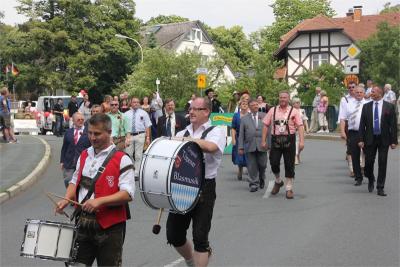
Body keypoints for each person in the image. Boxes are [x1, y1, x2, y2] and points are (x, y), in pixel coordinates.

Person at [56, 113, 135, 266]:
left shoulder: (122, 159)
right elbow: (75, 181)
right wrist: (67, 199)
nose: (92, 137)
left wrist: (100, 201)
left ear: (109, 133)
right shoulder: (84, 154)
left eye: (97, 133)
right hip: (83, 223)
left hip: (110, 228)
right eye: (90, 133)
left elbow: (127, 194)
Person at [166, 97, 226, 267]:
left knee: (200, 237)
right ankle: (190, 260)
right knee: (173, 235)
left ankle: (201, 257)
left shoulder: (216, 131)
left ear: (206, 112)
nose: (190, 111)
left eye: (195, 109)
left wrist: (184, 142)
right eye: (190, 108)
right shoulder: (181, 133)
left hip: (205, 187)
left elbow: (211, 147)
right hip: (181, 186)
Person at [262, 91, 304, 199]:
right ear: (278, 98)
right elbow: (266, 125)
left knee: (289, 164)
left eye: (285, 97)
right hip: (276, 139)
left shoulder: (294, 111)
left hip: (289, 139)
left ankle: (289, 188)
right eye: (281, 97)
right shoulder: (273, 110)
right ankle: (278, 181)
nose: (282, 99)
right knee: (274, 162)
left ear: (288, 99)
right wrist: (263, 140)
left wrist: (301, 141)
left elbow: (300, 126)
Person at [358, 86, 398, 196]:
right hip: (370, 138)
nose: (371, 93)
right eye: (371, 92)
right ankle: (370, 178)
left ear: (380, 93)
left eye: (373, 92)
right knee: (369, 163)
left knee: (382, 162)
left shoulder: (389, 106)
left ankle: (380, 187)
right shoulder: (366, 107)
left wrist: (394, 141)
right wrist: (361, 139)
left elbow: (393, 125)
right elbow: (362, 125)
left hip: (384, 139)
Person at [238, 99, 268, 192]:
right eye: (253, 105)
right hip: (249, 145)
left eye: (256, 105)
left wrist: (269, 144)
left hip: (262, 144)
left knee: (262, 164)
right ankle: (253, 183)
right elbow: (241, 134)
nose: (255, 106)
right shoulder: (244, 119)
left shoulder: (265, 116)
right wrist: (241, 147)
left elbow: (269, 131)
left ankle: (262, 177)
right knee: (251, 166)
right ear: (249, 107)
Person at [340, 86, 367, 186]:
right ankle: (358, 177)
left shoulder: (368, 104)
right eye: (357, 92)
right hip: (353, 132)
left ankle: (368, 172)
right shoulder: (349, 104)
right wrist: (342, 131)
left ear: (364, 93)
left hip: (365, 132)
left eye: (361, 92)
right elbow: (343, 118)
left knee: (368, 154)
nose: (359, 94)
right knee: (354, 155)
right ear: (354, 93)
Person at [60, 112, 91, 188]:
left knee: (81, 184)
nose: (81, 121)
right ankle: (70, 197)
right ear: (73, 121)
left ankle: (78, 198)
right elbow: (64, 147)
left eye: (82, 119)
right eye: (78, 120)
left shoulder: (89, 132)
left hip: (83, 163)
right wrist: (62, 161)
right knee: (68, 181)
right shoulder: (68, 132)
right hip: (69, 163)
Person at [124, 97, 152, 178]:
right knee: (128, 154)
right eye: (134, 102)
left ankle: (136, 172)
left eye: (137, 102)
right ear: (131, 103)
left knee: (138, 155)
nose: (135, 103)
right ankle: (131, 169)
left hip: (140, 135)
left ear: (139, 103)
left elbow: (147, 126)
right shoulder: (126, 114)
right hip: (129, 136)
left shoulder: (144, 113)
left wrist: (147, 138)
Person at [338, 82, 356, 177]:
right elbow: (342, 116)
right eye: (349, 87)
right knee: (350, 148)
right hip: (349, 124)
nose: (351, 89)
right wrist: (342, 131)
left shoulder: (362, 98)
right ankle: (352, 169)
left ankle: (361, 164)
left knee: (363, 148)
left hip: (361, 125)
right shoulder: (344, 99)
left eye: (353, 87)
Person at [230, 100, 249, 180]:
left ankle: (250, 171)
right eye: (243, 104)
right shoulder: (236, 116)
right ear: (240, 106)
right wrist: (233, 139)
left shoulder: (251, 115)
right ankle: (240, 170)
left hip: (249, 139)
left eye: (246, 104)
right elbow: (233, 128)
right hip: (239, 139)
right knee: (239, 156)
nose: (244, 105)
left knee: (249, 156)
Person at [292, 97, 308, 165]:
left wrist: (307, 128)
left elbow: (305, 120)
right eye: (296, 102)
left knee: (301, 146)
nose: (298, 104)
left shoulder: (302, 110)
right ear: (293, 104)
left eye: (299, 102)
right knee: (295, 143)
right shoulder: (291, 110)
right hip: (293, 129)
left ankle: (298, 154)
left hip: (301, 130)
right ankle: (295, 157)